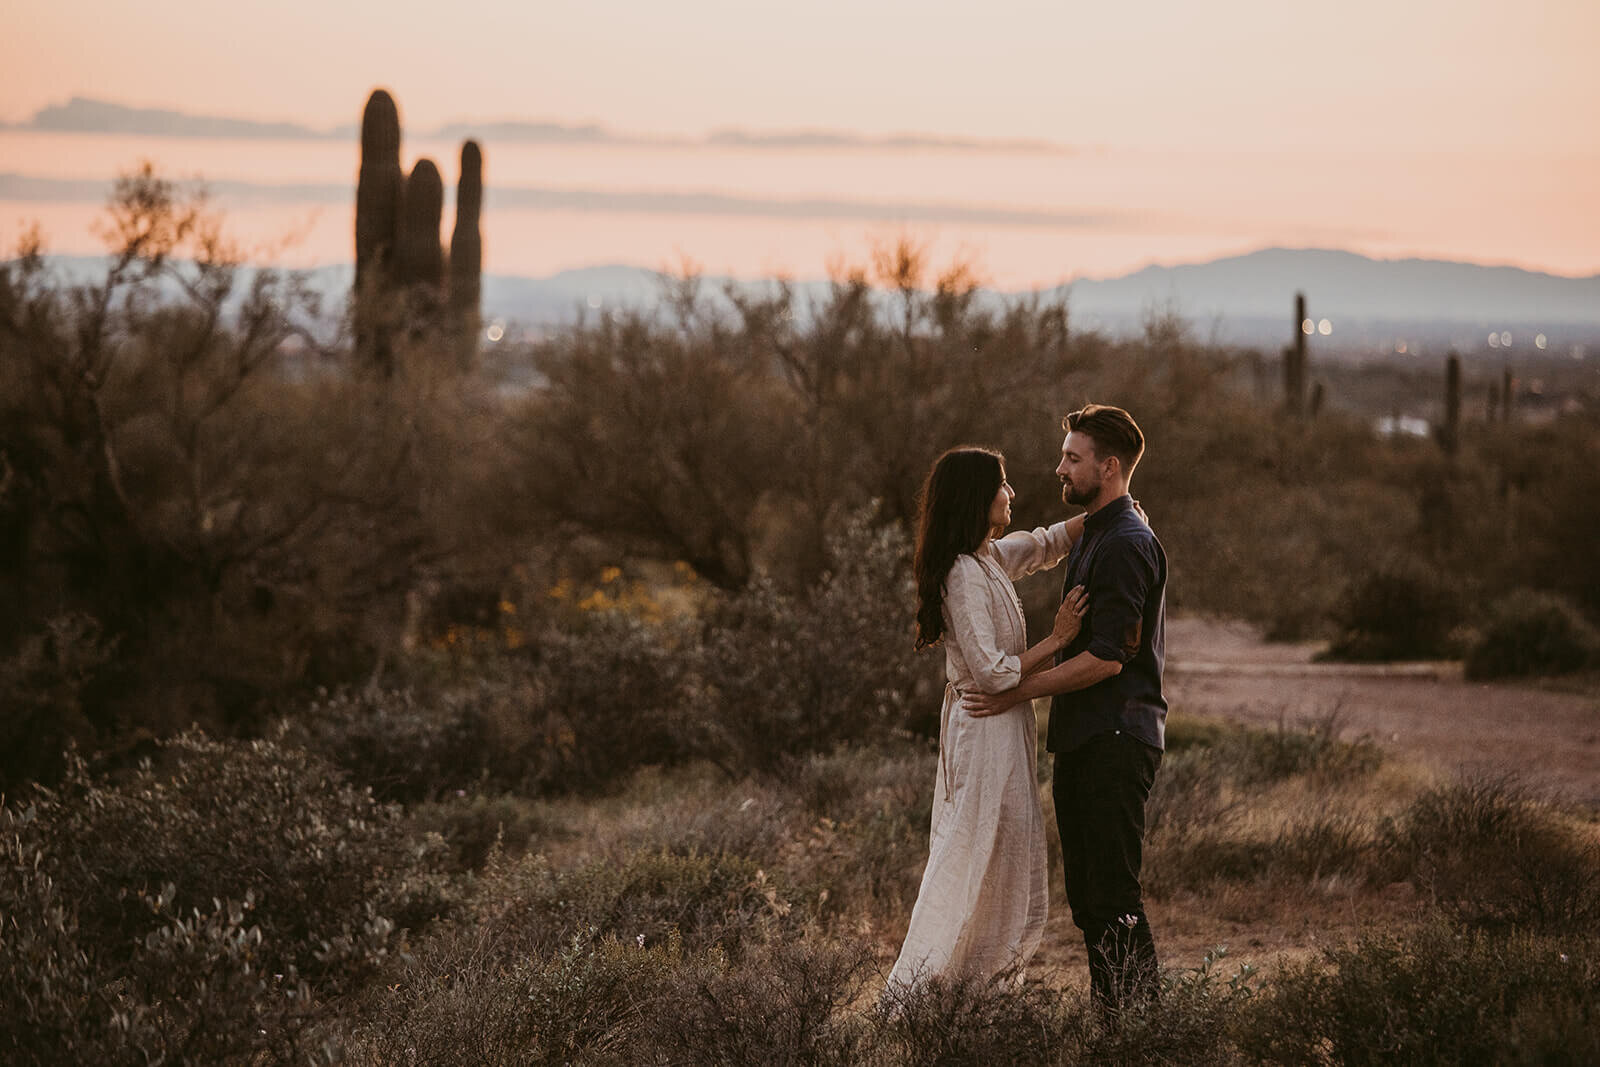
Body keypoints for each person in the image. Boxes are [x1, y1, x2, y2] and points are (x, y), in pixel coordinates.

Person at [965, 404, 1167, 1017]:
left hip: (1115, 734)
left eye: (1072, 459)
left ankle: (1139, 1030)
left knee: (1112, 892)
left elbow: (1109, 658)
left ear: (1107, 467)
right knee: (1090, 896)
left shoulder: (1126, 543)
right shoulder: (1103, 530)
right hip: (1086, 737)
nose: (1060, 468)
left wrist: (1017, 691)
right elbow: (1055, 537)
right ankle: (1119, 1026)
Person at [885, 446, 1090, 996]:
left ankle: (982, 991)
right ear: (978, 498)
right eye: (1002, 483)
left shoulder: (987, 559)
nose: (1012, 492)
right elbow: (993, 674)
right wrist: (1059, 640)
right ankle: (927, 991)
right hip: (982, 728)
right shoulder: (962, 575)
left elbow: (1045, 542)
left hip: (1005, 726)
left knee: (1004, 848)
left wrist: (1108, 513)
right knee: (974, 848)